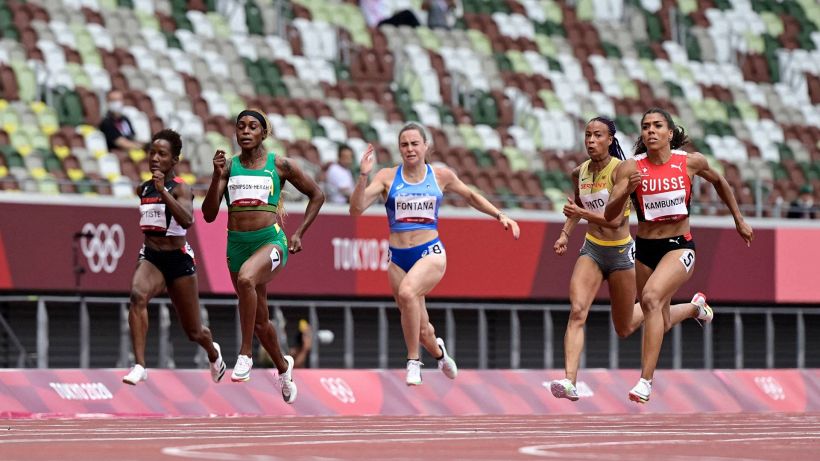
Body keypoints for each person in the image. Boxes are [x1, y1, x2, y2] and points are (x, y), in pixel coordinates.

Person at [548, 117, 713, 401]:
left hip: (622, 252)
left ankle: (693, 308)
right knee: (577, 310)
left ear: (610, 140)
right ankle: (569, 380)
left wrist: (583, 215)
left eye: (597, 135)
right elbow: (576, 206)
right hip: (592, 249)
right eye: (587, 135)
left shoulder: (624, 171)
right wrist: (565, 233)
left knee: (628, 325)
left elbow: (613, 222)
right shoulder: (580, 173)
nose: (590, 140)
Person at [349, 122, 521, 385]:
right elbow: (356, 209)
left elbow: (471, 196)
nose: (409, 149)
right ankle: (439, 353)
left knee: (408, 292)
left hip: (430, 252)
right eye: (404, 144)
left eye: (415, 143)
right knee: (421, 330)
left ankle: (413, 361)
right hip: (397, 258)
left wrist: (500, 215)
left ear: (426, 146)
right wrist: (363, 176)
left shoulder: (441, 176)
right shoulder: (386, 177)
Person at [604, 108, 754, 403]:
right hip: (645, 248)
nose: (650, 131)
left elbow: (720, 182)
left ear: (669, 134)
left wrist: (739, 219)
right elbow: (609, 215)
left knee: (649, 299)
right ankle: (695, 308)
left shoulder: (690, 162)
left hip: (679, 245)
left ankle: (645, 381)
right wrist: (624, 192)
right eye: (645, 126)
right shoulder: (630, 168)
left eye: (657, 126)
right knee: (654, 316)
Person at [202, 109, 325, 404]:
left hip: (272, 242)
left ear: (263, 134)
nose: (245, 131)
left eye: (252, 127)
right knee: (261, 323)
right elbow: (207, 216)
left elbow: (317, 195)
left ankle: (244, 354)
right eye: (240, 126)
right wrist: (216, 177)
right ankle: (284, 367)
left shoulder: (280, 165)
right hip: (236, 246)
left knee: (246, 278)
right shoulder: (228, 167)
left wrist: (298, 234)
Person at [123, 129, 226, 385]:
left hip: (178, 261)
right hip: (152, 257)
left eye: (162, 154)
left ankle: (214, 353)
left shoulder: (181, 188)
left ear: (174, 161)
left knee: (193, 331)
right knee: (137, 296)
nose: (155, 159)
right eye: (152, 153)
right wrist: (155, 189)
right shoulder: (142, 188)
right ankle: (139, 364)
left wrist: (163, 192)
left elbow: (188, 219)